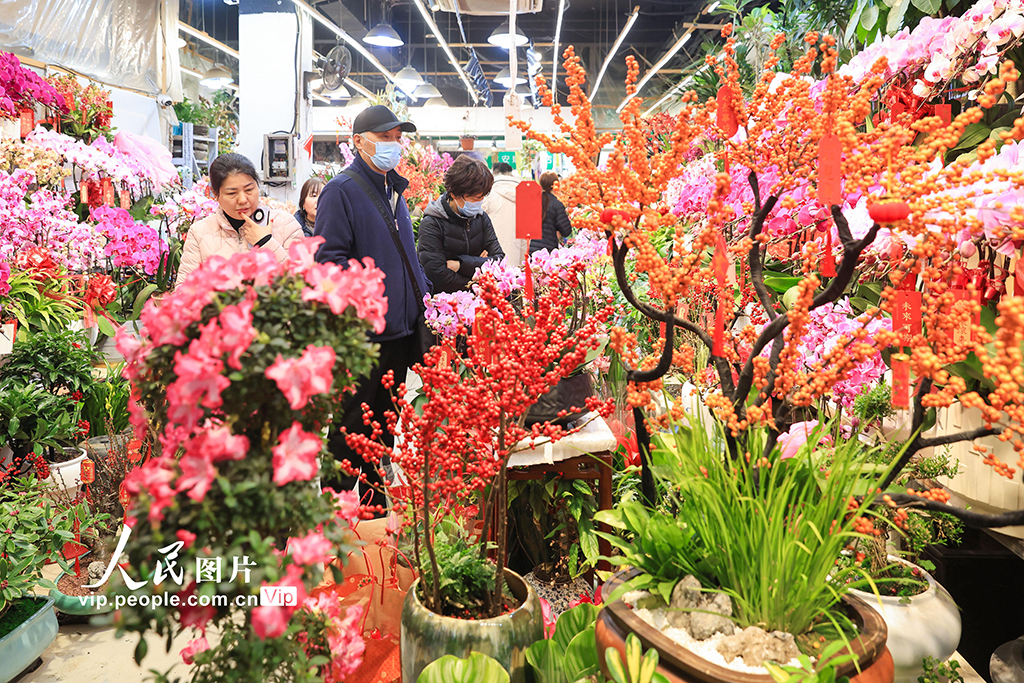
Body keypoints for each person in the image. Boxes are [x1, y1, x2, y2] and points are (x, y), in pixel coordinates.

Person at [313, 105, 429, 510]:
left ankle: (374, 507)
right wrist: (376, 287)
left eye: (398, 138)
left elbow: (406, 257)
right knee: (351, 426)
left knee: (383, 427)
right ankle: (329, 510)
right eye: (384, 138)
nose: (393, 145)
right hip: (364, 335)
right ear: (358, 142)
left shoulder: (394, 189)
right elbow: (327, 260)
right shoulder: (341, 191)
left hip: (400, 332)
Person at [176, 153, 303, 287]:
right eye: (232, 193)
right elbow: (183, 291)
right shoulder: (199, 233)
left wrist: (266, 243)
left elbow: (301, 284)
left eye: (249, 190)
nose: (243, 200)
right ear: (216, 194)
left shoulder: (286, 225)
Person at [417, 155, 505, 294]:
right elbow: (436, 274)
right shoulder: (432, 223)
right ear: (454, 194)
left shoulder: (481, 218)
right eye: (476, 198)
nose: (480, 202)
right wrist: (478, 274)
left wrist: (460, 265)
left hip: (480, 304)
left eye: (483, 197)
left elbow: (499, 260)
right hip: (447, 307)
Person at [481, 162, 527, 266]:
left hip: (492, 255)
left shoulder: (488, 193)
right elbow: (526, 237)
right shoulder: (525, 195)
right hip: (516, 254)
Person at [529, 171, 574, 254]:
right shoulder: (557, 205)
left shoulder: (533, 203)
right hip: (549, 249)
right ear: (554, 185)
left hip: (533, 249)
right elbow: (566, 231)